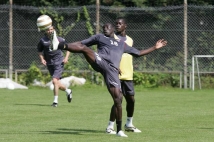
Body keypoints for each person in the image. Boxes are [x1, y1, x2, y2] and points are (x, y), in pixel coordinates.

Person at [51, 23, 167, 137]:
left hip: (112, 70)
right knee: (83, 48)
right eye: (103, 27)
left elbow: (138, 53)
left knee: (118, 99)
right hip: (100, 61)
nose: (105, 28)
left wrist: (154, 47)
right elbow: (81, 44)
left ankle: (119, 130)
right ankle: (59, 45)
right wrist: (64, 44)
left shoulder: (122, 44)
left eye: (107, 27)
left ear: (112, 30)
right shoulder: (100, 37)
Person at [106, 17, 141, 134]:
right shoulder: (112, 38)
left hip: (128, 75)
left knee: (131, 99)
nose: (117, 25)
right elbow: (108, 54)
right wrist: (114, 66)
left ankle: (129, 124)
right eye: (116, 24)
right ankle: (110, 127)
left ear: (125, 26)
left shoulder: (130, 40)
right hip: (115, 74)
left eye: (120, 24)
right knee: (118, 100)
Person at [37, 15, 72, 107]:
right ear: (45, 30)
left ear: (54, 30)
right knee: (57, 83)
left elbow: (69, 48)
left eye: (52, 29)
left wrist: (66, 58)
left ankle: (55, 102)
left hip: (59, 62)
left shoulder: (59, 40)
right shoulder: (43, 41)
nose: (50, 31)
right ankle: (68, 91)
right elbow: (39, 51)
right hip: (50, 63)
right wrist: (42, 59)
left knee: (54, 81)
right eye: (48, 30)